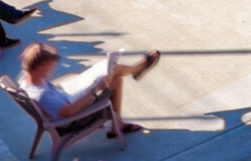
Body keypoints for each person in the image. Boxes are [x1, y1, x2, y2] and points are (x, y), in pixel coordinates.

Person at [18, 42, 159, 137]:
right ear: (39, 68)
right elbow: (69, 112)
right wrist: (96, 88)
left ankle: (118, 124)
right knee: (115, 78)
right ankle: (136, 70)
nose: (53, 66)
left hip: (66, 99)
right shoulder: (42, 95)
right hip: (74, 121)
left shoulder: (26, 77)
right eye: (49, 65)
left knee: (109, 72)